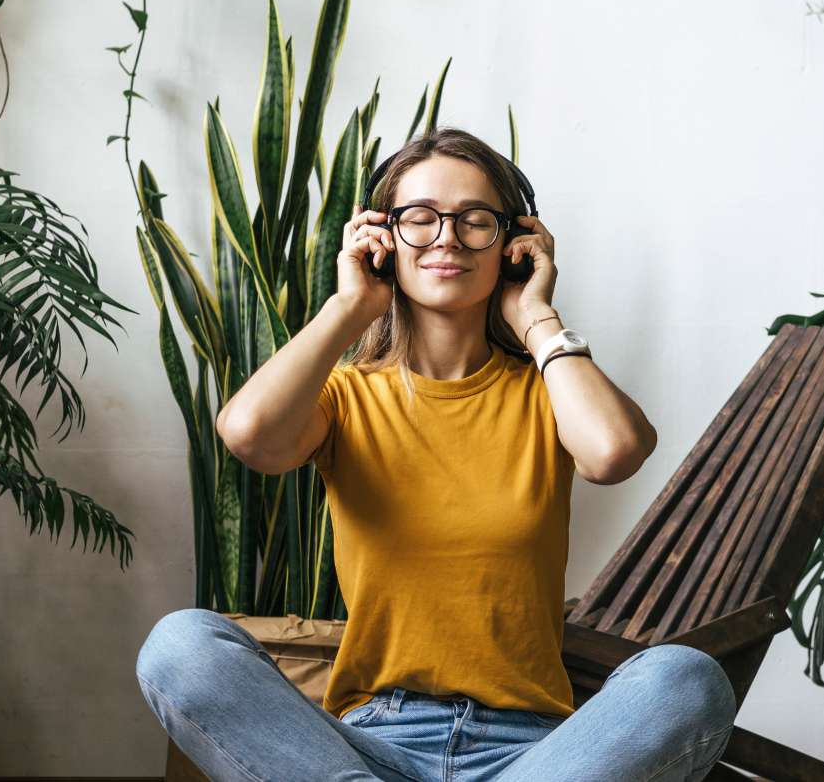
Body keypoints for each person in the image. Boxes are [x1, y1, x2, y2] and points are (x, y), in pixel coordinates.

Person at [135, 127, 737, 781]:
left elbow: (614, 452)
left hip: (534, 755)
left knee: (685, 678)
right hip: (370, 745)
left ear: (513, 245)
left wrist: (536, 315)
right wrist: (349, 307)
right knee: (181, 645)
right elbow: (249, 435)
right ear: (382, 239)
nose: (447, 237)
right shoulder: (344, 400)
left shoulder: (550, 392)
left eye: (475, 220)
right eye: (420, 219)